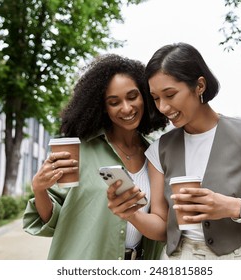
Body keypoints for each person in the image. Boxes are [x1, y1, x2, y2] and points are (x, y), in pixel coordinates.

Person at [107, 42, 241, 260]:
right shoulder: (159, 150)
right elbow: (161, 227)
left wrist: (234, 207)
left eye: (170, 94)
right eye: (156, 98)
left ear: (200, 86)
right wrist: (131, 214)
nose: (163, 107)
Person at [23, 54, 168, 260]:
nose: (126, 108)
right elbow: (52, 220)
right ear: (102, 107)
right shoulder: (79, 151)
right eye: (114, 102)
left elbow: (162, 224)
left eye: (132, 96)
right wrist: (39, 189)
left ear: (145, 95)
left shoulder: (155, 154)